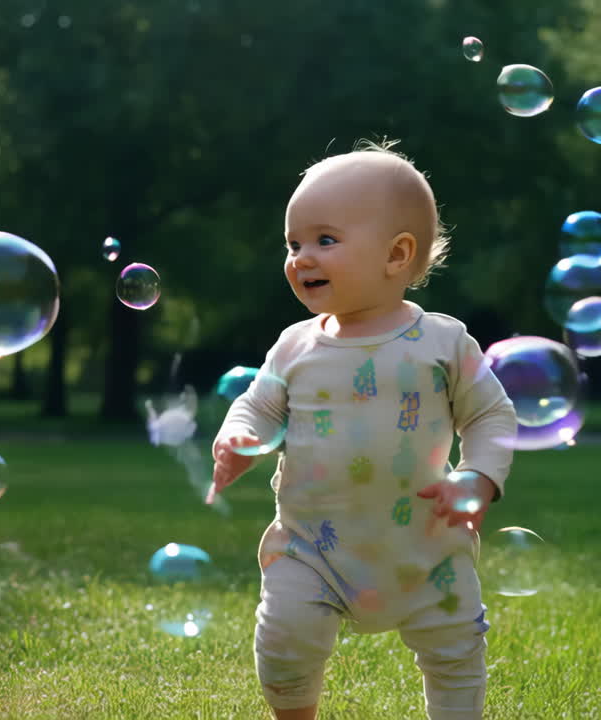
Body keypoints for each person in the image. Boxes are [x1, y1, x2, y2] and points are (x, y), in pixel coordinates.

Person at [208, 139, 517, 720]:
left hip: (427, 546)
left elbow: (490, 415)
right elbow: (257, 405)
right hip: (311, 546)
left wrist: (479, 475)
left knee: (456, 651)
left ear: (397, 254)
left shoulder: (443, 342)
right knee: (284, 640)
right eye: (293, 242)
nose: (302, 257)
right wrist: (238, 437)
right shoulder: (294, 345)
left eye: (325, 240)